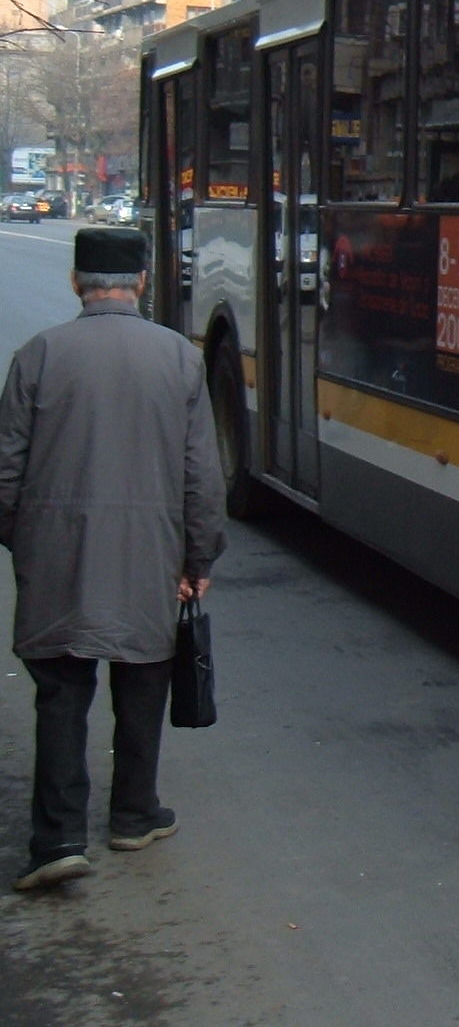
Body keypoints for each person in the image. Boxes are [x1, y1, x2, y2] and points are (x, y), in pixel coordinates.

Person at [0, 228, 226, 893]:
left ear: (77, 282)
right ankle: (133, 815)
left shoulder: (37, 355)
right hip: (150, 553)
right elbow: (201, 476)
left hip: (57, 554)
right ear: (142, 282)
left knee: (61, 694)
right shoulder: (179, 359)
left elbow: (6, 471)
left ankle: (57, 839)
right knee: (143, 682)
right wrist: (198, 557)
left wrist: (26, 541)